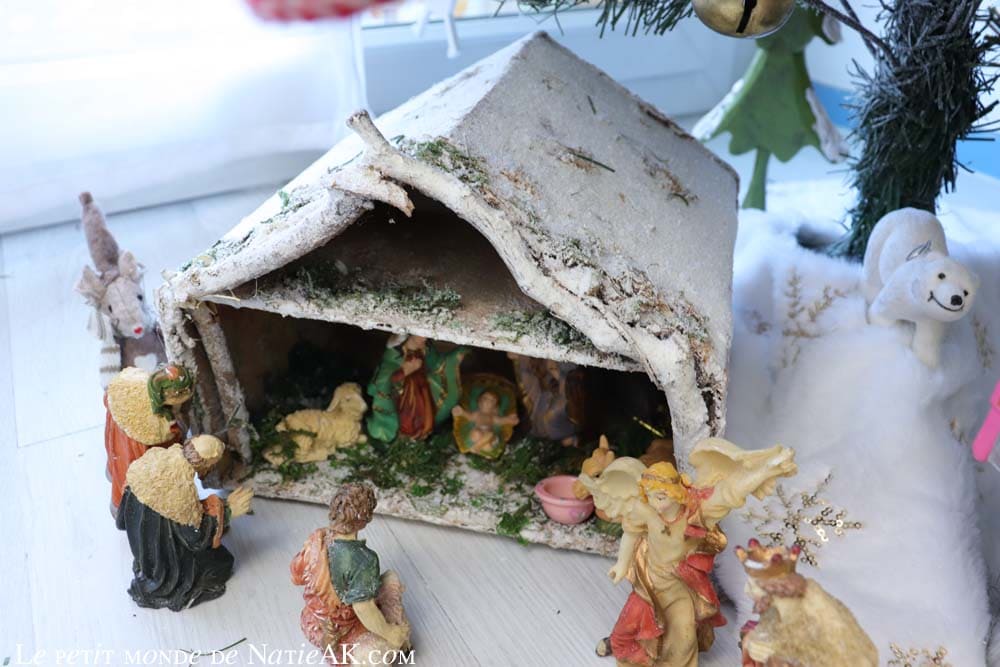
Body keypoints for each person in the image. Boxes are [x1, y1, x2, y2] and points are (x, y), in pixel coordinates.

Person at [581, 438, 797, 667]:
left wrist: (766, 470)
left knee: (684, 638)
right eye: (650, 496)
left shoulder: (694, 513)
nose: (654, 502)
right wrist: (622, 564)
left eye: (660, 496)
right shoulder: (645, 510)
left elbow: (729, 492)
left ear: (675, 493)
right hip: (649, 583)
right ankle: (622, 646)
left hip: (679, 587)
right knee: (630, 624)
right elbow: (631, 533)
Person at [116, 435, 253, 611]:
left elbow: (123, 516)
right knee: (222, 563)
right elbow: (194, 539)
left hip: (141, 543)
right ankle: (175, 589)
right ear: (205, 463)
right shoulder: (181, 493)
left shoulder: (156, 459)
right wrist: (228, 511)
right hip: (164, 560)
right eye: (212, 464)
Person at [291, 483, 410, 665]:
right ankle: (347, 655)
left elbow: (296, 574)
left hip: (311, 621)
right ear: (365, 518)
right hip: (342, 630)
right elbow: (364, 608)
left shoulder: (317, 538)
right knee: (390, 584)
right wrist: (390, 633)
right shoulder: (363, 559)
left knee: (385, 581)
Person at [103, 364, 194, 517]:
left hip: (123, 441)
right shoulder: (158, 427)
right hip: (140, 455)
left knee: (120, 462)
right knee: (133, 481)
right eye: (180, 396)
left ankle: (113, 475)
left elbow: (108, 398)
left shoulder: (133, 384)